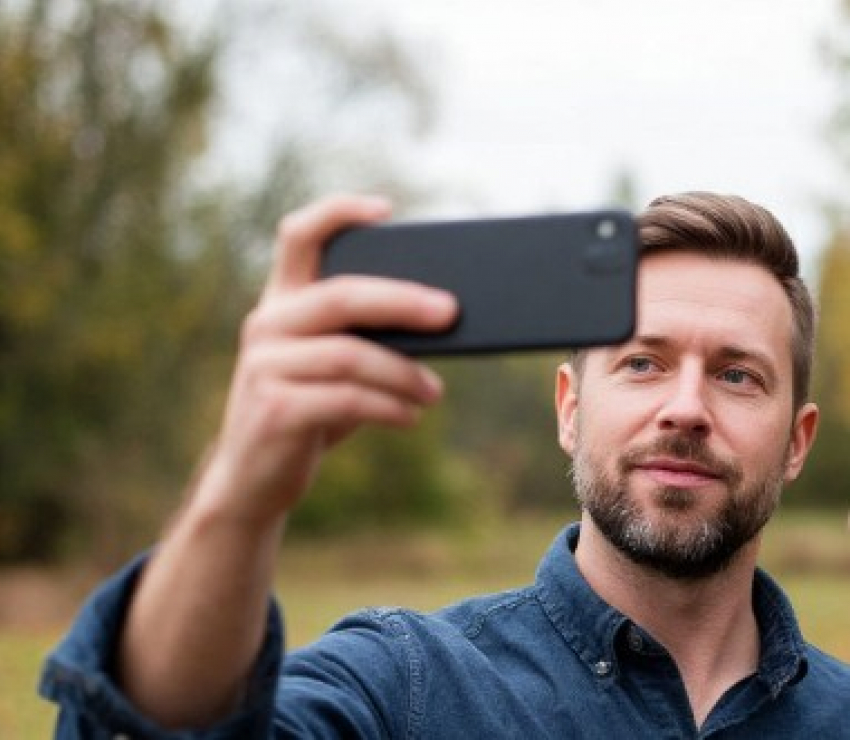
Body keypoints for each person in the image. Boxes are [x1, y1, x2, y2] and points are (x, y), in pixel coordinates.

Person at [41, 193, 850, 738]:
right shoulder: (406, 686)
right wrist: (239, 492)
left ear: (796, 442)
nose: (685, 406)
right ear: (570, 408)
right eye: (642, 362)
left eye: (737, 374)